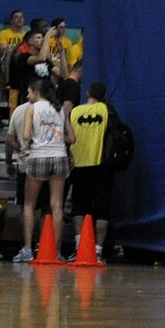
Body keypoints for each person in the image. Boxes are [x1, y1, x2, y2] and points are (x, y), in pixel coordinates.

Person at [17, 79, 74, 261]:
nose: (27, 96)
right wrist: (55, 135)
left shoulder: (32, 108)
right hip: (59, 156)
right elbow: (72, 138)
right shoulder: (60, 109)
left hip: (39, 156)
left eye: (29, 92)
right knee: (57, 205)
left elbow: (26, 136)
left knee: (29, 204)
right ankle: (55, 252)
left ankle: (27, 249)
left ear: (36, 92)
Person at [68, 81, 114, 241]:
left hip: (79, 164)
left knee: (78, 206)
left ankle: (79, 246)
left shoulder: (75, 111)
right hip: (100, 164)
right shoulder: (105, 110)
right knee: (102, 208)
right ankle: (98, 248)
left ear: (87, 93)